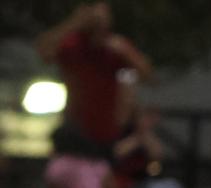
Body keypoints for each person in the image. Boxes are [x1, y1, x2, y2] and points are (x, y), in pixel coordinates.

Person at [38, 4, 149, 154]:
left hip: (107, 128)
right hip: (76, 125)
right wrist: (73, 23)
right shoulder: (73, 44)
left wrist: (126, 52)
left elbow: (146, 74)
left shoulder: (116, 47)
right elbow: (44, 51)